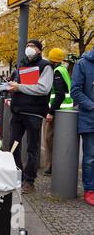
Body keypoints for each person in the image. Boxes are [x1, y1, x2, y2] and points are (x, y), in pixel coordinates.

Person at [8, 40, 54, 194]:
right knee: (13, 145)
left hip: (34, 112)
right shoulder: (21, 65)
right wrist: (12, 88)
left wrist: (19, 87)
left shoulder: (45, 66)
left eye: (33, 46)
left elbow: (43, 88)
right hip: (17, 111)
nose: (29, 49)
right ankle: (17, 175)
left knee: (32, 149)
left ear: (39, 50)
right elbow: (20, 85)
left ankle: (29, 180)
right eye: (27, 46)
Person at [43, 48, 74, 176]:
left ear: (52, 60)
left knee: (49, 139)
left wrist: (51, 112)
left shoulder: (57, 72)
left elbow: (59, 94)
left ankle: (51, 167)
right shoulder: (63, 70)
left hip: (58, 111)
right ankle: (55, 166)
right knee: (57, 139)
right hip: (65, 111)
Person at [70, 48, 94, 206]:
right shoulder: (83, 64)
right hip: (90, 118)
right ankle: (90, 190)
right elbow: (75, 91)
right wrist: (92, 106)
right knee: (90, 158)